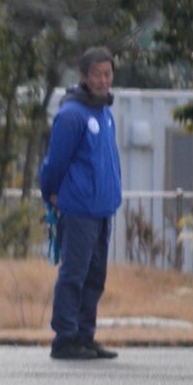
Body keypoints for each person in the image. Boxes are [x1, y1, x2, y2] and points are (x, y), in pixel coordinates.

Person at [39, 47, 123, 361]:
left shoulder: (104, 112)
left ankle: (85, 336)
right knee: (73, 274)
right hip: (78, 210)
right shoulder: (72, 115)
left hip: (102, 209)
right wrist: (50, 194)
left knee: (95, 277)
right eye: (98, 74)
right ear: (84, 77)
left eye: (108, 73)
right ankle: (65, 338)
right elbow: (54, 162)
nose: (104, 80)